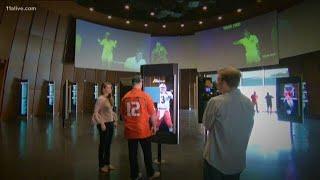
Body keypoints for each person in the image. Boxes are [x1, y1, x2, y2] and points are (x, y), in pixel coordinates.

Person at [202, 67, 254, 180]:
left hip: (215, 162)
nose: (216, 83)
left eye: (218, 80)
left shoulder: (215, 102)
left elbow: (206, 124)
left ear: (224, 82)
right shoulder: (248, 103)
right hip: (237, 163)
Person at [120, 75, 161, 180]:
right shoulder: (146, 96)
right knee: (147, 153)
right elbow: (152, 114)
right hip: (143, 130)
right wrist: (154, 126)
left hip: (130, 131)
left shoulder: (125, 97)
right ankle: (150, 173)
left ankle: (134, 175)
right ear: (140, 83)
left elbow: (123, 115)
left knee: (132, 155)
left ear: (132, 84)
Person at [92, 82, 118, 173]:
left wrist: (114, 120)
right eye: (108, 87)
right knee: (103, 145)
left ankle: (107, 163)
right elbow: (96, 113)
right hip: (103, 124)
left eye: (111, 87)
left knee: (108, 145)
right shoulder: (100, 99)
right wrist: (101, 123)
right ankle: (101, 165)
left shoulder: (110, 98)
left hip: (110, 124)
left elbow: (111, 111)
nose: (110, 89)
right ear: (103, 89)